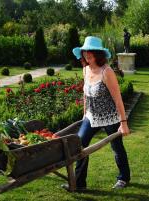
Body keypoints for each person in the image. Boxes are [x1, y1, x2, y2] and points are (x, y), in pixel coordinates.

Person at [63, 36, 131, 191]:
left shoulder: (107, 72)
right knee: (79, 146)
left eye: (91, 52)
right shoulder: (85, 69)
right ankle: (79, 183)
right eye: (85, 52)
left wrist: (123, 122)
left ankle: (124, 178)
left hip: (109, 117)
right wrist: (84, 114)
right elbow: (86, 94)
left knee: (117, 147)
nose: (87, 55)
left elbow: (118, 99)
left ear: (98, 54)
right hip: (91, 116)